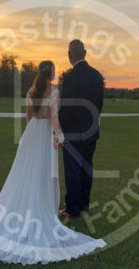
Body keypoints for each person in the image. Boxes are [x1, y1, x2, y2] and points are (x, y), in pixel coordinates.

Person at [0, 60, 106, 265]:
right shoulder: (54, 91)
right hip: (44, 136)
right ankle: (43, 208)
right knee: (43, 172)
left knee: (25, 172)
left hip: (31, 134)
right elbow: (53, 118)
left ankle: (22, 206)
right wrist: (59, 135)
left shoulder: (32, 90)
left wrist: (31, 133)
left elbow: (29, 117)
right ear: (53, 74)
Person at [59, 39, 104, 218]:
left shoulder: (70, 77)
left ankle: (72, 208)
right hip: (91, 130)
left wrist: (60, 129)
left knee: (73, 170)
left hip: (73, 132)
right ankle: (84, 204)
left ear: (69, 55)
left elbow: (67, 107)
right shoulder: (96, 76)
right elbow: (99, 105)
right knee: (86, 168)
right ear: (85, 53)